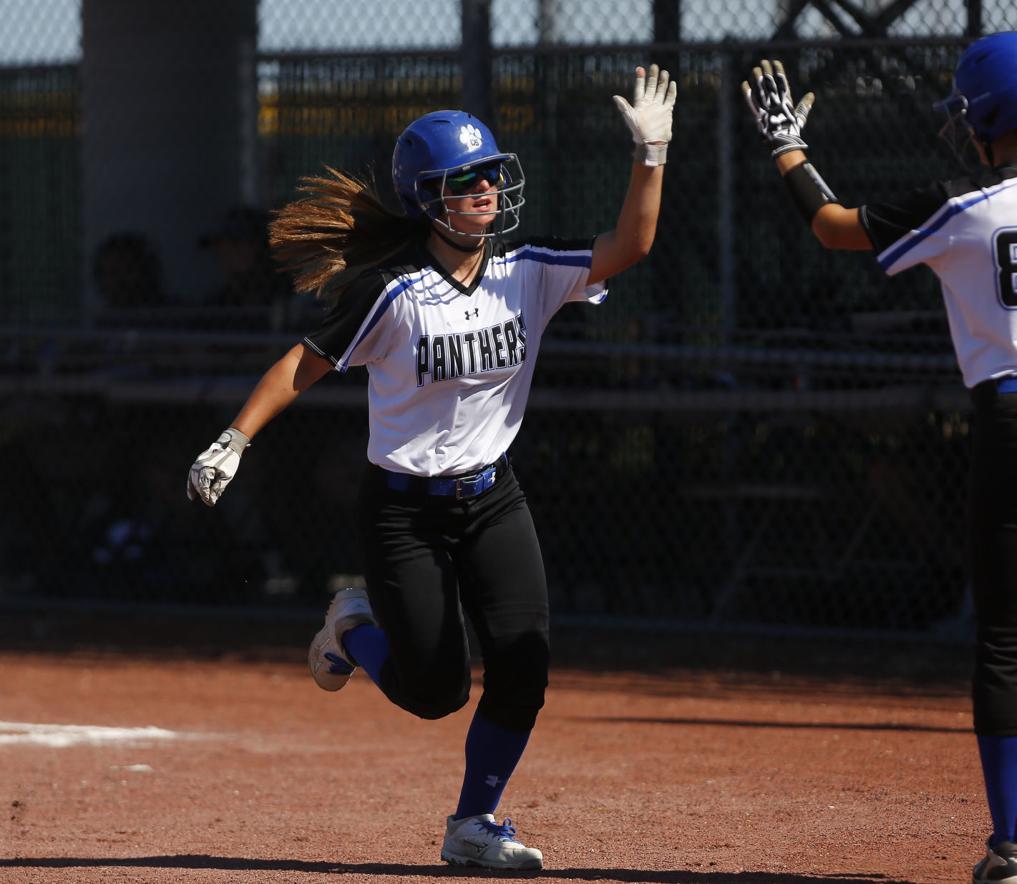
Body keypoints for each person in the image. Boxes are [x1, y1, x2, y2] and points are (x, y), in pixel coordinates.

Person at [186, 65, 677, 870]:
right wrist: (234, 440)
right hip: (403, 511)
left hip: (494, 499)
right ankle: (350, 625)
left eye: (491, 173)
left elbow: (632, 245)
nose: (486, 189)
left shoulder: (527, 272)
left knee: (524, 664)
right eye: (464, 181)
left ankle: (472, 825)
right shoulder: (392, 293)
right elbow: (300, 366)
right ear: (426, 200)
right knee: (434, 692)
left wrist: (650, 153)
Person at [742, 34, 1017, 884]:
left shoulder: (970, 205)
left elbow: (836, 228)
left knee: (1009, 645)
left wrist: (785, 147)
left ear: (990, 121)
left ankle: (1010, 851)